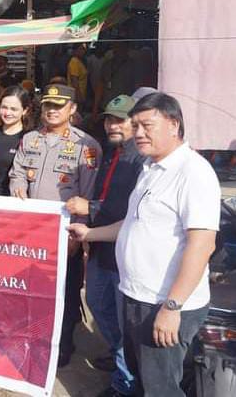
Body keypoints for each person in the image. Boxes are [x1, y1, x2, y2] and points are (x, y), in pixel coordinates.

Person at [69, 93, 219, 397]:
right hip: (136, 297)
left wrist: (172, 307)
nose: (138, 133)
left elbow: (202, 245)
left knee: (160, 388)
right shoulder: (151, 169)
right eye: (135, 125)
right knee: (142, 381)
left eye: (147, 125)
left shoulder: (193, 173)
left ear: (173, 125)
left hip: (163, 303)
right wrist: (90, 234)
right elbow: (132, 224)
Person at [8, 83, 102, 367]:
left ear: (72, 109)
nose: (51, 111)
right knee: (30, 287)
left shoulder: (86, 145)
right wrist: (18, 185)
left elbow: (88, 195)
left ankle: (62, 343)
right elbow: (17, 171)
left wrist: (78, 234)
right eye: (48, 105)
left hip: (65, 232)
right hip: (30, 229)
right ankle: (33, 336)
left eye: (58, 106)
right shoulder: (29, 139)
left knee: (65, 290)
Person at [65, 95, 142, 397]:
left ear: (136, 122)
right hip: (99, 245)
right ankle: (120, 355)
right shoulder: (112, 153)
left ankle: (125, 383)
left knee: (121, 317)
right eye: (109, 119)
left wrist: (91, 209)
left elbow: (133, 209)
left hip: (123, 250)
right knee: (98, 304)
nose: (112, 125)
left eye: (119, 120)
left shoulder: (141, 160)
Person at [0, 86, 33, 196]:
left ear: (25, 110)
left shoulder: (30, 139)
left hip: (17, 198)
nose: (7, 113)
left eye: (13, 109)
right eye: (4, 107)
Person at [67, 44, 88, 108]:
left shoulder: (79, 61)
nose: (83, 51)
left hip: (80, 93)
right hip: (75, 95)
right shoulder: (74, 61)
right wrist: (79, 96)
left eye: (84, 49)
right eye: (81, 49)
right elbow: (74, 81)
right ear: (75, 50)